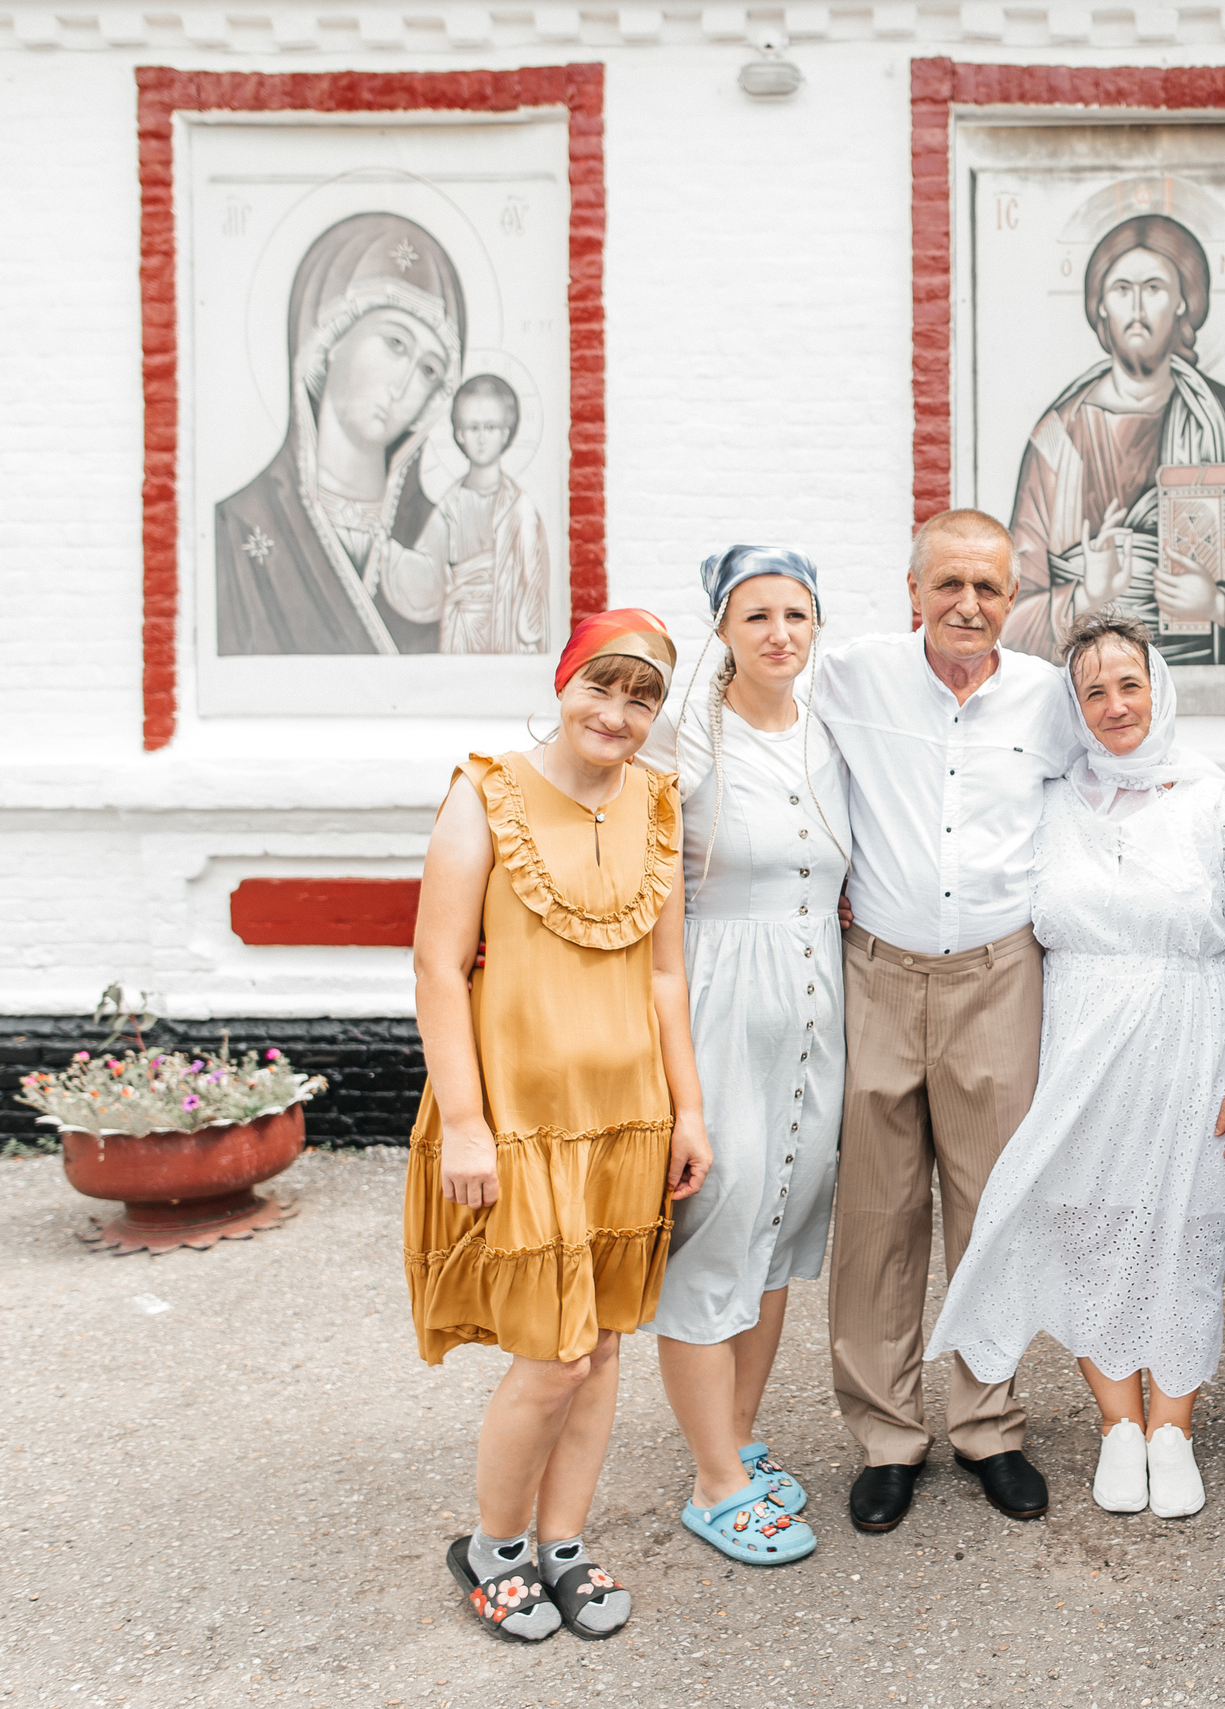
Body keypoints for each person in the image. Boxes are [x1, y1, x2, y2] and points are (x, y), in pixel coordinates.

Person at [404, 607, 713, 1639]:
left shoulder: (658, 804)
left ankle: (564, 1543)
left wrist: (689, 1109)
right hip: (525, 1118)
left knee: (606, 1346)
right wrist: (465, 1121)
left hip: (628, 1117)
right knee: (553, 1355)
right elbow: (437, 967)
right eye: (602, 686)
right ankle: (492, 1546)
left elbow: (666, 972)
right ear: (564, 679)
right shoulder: (484, 792)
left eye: (642, 698)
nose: (617, 714)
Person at [926, 615, 1225, 1519]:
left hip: (1193, 1040)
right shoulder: (1052, 802)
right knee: (1089, 1226)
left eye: (1130, 684)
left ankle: (1174, 1427)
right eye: (1094, 691)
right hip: (1076, 1044)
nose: (1115, 705)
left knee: (1185, 1233)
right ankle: (1119, 1423)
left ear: (1160, 690)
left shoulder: (1215, 802)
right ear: (1074, 708)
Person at [815, 509, 1077, 1534]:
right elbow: (743, 711)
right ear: (913, 587)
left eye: (991, 589)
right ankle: (885, 1434)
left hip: (1000, 975)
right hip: (877, 971)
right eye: (950, 584)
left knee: (992, 1210)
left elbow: (1108, 788)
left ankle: (987, 1424)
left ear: (1014, 601)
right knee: (877, 1219)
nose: (970, 605)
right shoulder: (851, 676)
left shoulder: (1048, 698)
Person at [637, 546, 846, 1567]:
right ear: (722, 626)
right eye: (756, 613)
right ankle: (712, 1480)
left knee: (782, 1228)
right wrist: (680, 1090)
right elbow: (653, 921)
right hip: (719, 996)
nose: (777, 632)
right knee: (717, 1226)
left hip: (818, 1008)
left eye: (795, 614)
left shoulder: (830, 733)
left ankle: (740, 1437)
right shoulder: (682, 745)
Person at [1004, 211, 1225, 667]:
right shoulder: (1056, 439)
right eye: (1122, 290)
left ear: (1184, 302)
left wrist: (1219, 606)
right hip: (1091, 685)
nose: (1138, 309)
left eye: (1154, 289)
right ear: (1101, 304)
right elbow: (1007, 615)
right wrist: (1087, 594)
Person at [217, 211, 466, 655]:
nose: (405, 384)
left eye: (429, 369)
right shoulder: (239, 527)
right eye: (395, 344)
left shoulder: (443, 534)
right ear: (330, 338)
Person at [419, 373, 552, 656]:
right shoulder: (449, 506)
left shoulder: (519, 508)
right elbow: (427, 568)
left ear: (506, 433)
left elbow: (532, 584)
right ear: (459, 433)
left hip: (506, 630)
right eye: (472, 427)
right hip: (460, 630)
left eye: (490, 427)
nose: (481, 438)